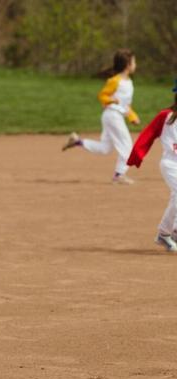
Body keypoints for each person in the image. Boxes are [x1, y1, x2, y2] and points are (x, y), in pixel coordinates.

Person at [62, 49, 140, 185]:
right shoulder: (115, 81)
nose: (135, 64)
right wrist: (111, 100)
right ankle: (119, 175)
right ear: (128, 64)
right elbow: (102, 95)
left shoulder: (129, 83)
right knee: (128, 147)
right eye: (134, 62)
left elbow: (127, 105)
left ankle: (77, 141)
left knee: (105, 148)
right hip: (112, 116)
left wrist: (132, 117)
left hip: (114, 117)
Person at [127, 82, 177, 251]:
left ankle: (174, 231)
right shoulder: (166, 116)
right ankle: (164, 233)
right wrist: (137, 155)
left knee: (175, 197)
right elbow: (148, 134)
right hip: (170, 164)